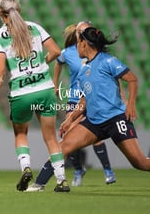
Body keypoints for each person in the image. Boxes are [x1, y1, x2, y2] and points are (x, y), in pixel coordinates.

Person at [57, 26, 150, 191]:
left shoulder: (108, 61)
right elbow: (85, 99)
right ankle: (52, 183)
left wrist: (130, 105)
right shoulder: (84, 70)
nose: (76, 46)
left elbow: (132, 79)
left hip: (116, 118)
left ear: (85, 43)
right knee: (63, 146)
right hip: (95, 122)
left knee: (139, 162)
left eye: (78, 42)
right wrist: (70, 118)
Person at [0, 0, 69, 192]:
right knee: (50, 137)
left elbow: (0, 69)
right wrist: (42, 64)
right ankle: (62, 180)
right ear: (20, 10)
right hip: (45, 89)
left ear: (1, 14)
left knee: (20, 133)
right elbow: (57, 51)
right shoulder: (35, 27)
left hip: (21, 92)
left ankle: (26, 168)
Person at [27, 21, 116, 192]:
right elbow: (58, 64)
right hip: (75, 98)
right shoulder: (68, 53)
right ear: (76, 34)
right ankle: (77, 170)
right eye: (80, 31)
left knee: (96, 137)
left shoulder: (97, 55)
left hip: (92, 98)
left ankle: (108, 171)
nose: (82, 33)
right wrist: (54, 84)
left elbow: (114, 73)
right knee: (68, 135)